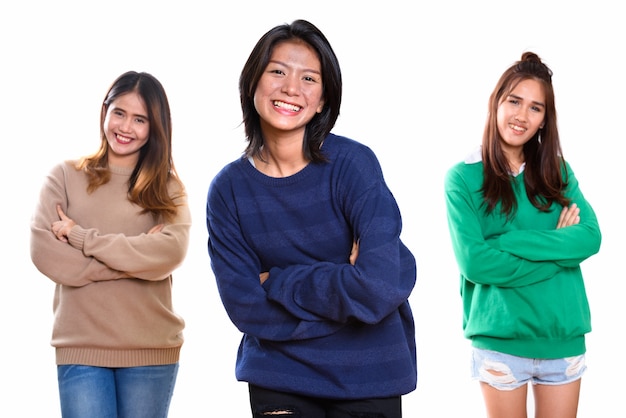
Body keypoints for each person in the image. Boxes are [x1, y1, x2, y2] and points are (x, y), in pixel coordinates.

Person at [206, 19, 416, 418]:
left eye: (309, 78)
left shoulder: (354, 165)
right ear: (254, 83)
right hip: (280, 372)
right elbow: (246, 307)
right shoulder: (228, 190)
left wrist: (281, 281)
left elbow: (382, 283)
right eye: (278, 72)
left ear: (322, 100)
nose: (291, 88)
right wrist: (348, 294)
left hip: (370, 369)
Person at [444, 52, 601, 418]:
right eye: (514, 101)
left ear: (545, 119)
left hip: (561, 335)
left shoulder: (557, 172)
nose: (522, 116)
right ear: (496, 102)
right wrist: (559, 255)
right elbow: (476, 264)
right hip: (499, 339)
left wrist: (508, 243)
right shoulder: (463, 178)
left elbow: (590, 237)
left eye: (536, 108)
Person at [30, 71, 191, 418]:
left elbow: (170, 252)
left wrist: (81, 238)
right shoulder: (65, 176)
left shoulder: (168, 189)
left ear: (155, 127)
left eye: (140, 119)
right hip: (80, 346)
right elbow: (45, 253)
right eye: (119, 112)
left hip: (150, 348)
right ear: (104, 111)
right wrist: (133, 260)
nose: (126, 127)